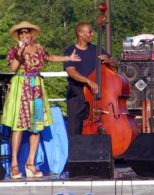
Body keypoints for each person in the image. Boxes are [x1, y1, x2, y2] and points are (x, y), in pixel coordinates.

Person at [1, 21, 81, 179]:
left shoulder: (39, 48)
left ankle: (31, 164)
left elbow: (50, 57)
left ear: (31, 34)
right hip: (21, 89)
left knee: (36, 126)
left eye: (27, 33)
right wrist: (20, 50)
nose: (25, 35)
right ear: (18, 36)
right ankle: (15, 164)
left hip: (36, 89)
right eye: (21, 33)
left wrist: (68, 57)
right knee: (18, 126)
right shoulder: (15, 50)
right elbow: (13, 68)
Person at [64, 22, 118, 135]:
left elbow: (116, 63)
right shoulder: (70, 51)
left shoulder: (96, 49)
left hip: (95, 92)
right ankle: (75, 151)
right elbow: (71, 72)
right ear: (80, 33)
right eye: (89, 32)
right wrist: (88, 81)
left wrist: (110, 61)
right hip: (77, 93)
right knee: (75, 126)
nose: (92, 34)